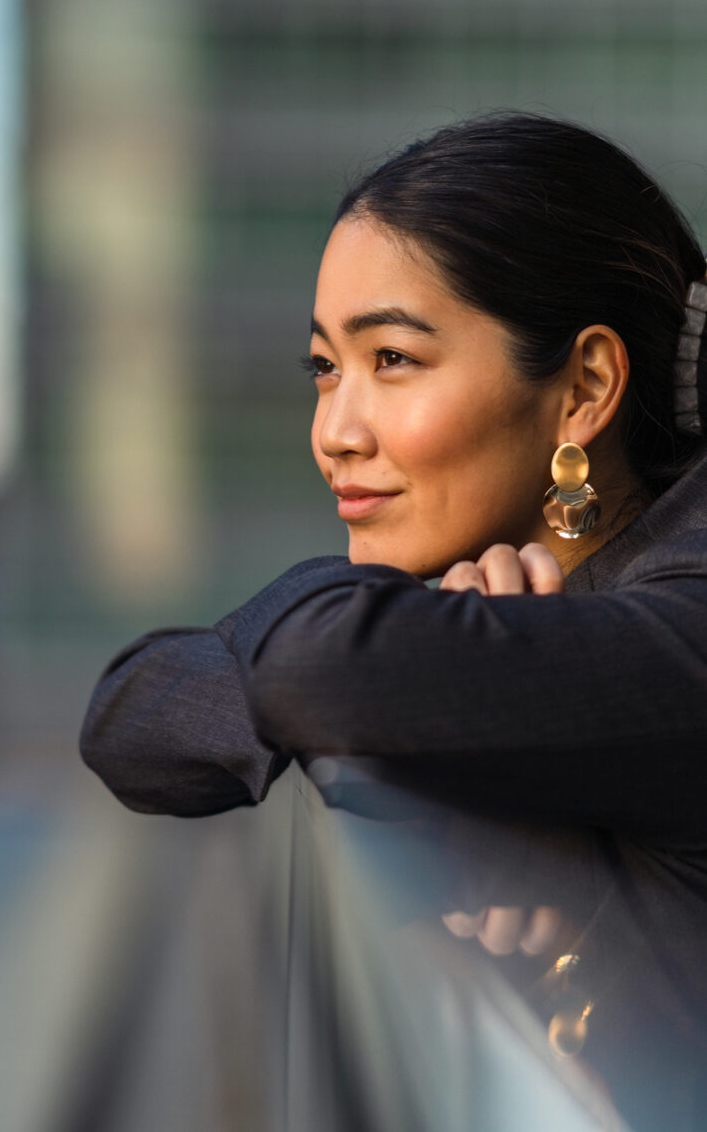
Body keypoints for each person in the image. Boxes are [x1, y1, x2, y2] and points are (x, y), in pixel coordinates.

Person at [79, 113, 707, 1128]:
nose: (334, 432)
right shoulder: (519, 590)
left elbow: (320, 679)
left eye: (394, 361)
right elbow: (129, 721)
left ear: (583, 387)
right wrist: (431, 676)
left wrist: (401, 679)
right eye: (325, 367)